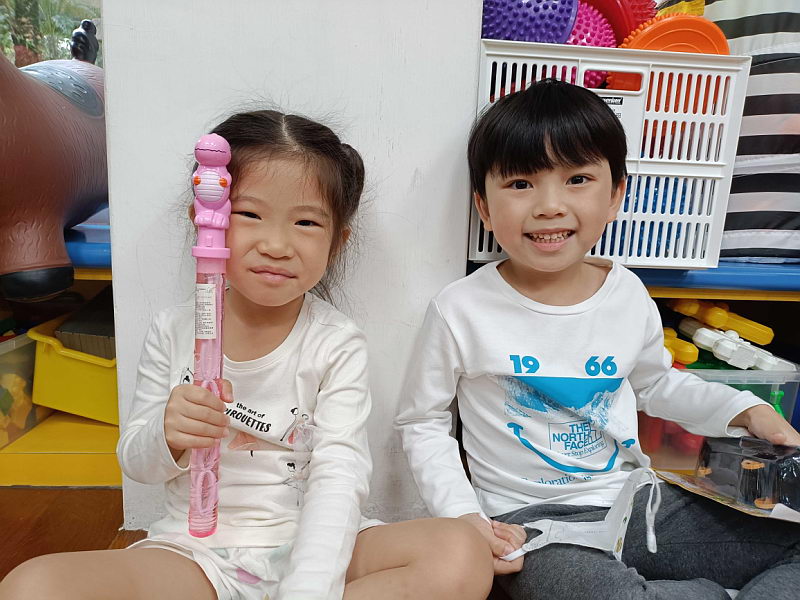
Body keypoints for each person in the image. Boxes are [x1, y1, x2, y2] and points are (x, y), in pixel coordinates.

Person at [0, 110, 493, 600]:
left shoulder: (336, 342)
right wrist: (166, 434)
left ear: (337, 242)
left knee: (460, 553)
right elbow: (138, 463)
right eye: (250, 215)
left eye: (306, 222)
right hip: (196, 555)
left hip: (318, 549)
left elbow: (339, 477)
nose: (276, 245)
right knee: (31, 586)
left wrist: (308, 589)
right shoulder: (173, 330)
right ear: (205, 221)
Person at [395, 79, 800, 600]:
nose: (549, 205)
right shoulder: (460, 308)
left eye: (577, 179)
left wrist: (744, 408)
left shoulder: (626, 292)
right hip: (530, 525)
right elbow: (422, 421)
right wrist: (465, 518)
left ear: (614, 196)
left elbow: (656, 385)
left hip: (637, 504)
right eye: (520, 183)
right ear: (485, 207)